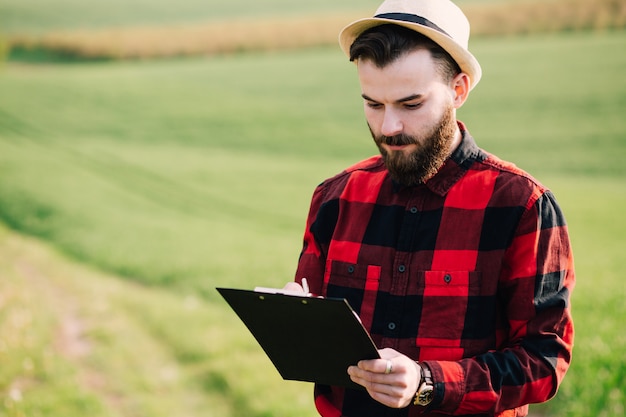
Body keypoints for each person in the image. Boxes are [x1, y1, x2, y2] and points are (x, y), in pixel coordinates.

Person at [285, 0, 575, 416]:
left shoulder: (522, 205)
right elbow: (315, 343)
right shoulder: (335, 197)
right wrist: (291, 318)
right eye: (373, 103)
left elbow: (544, 362)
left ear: (458, 91)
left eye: (410, 104)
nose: (388, 128)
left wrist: (427, 383)